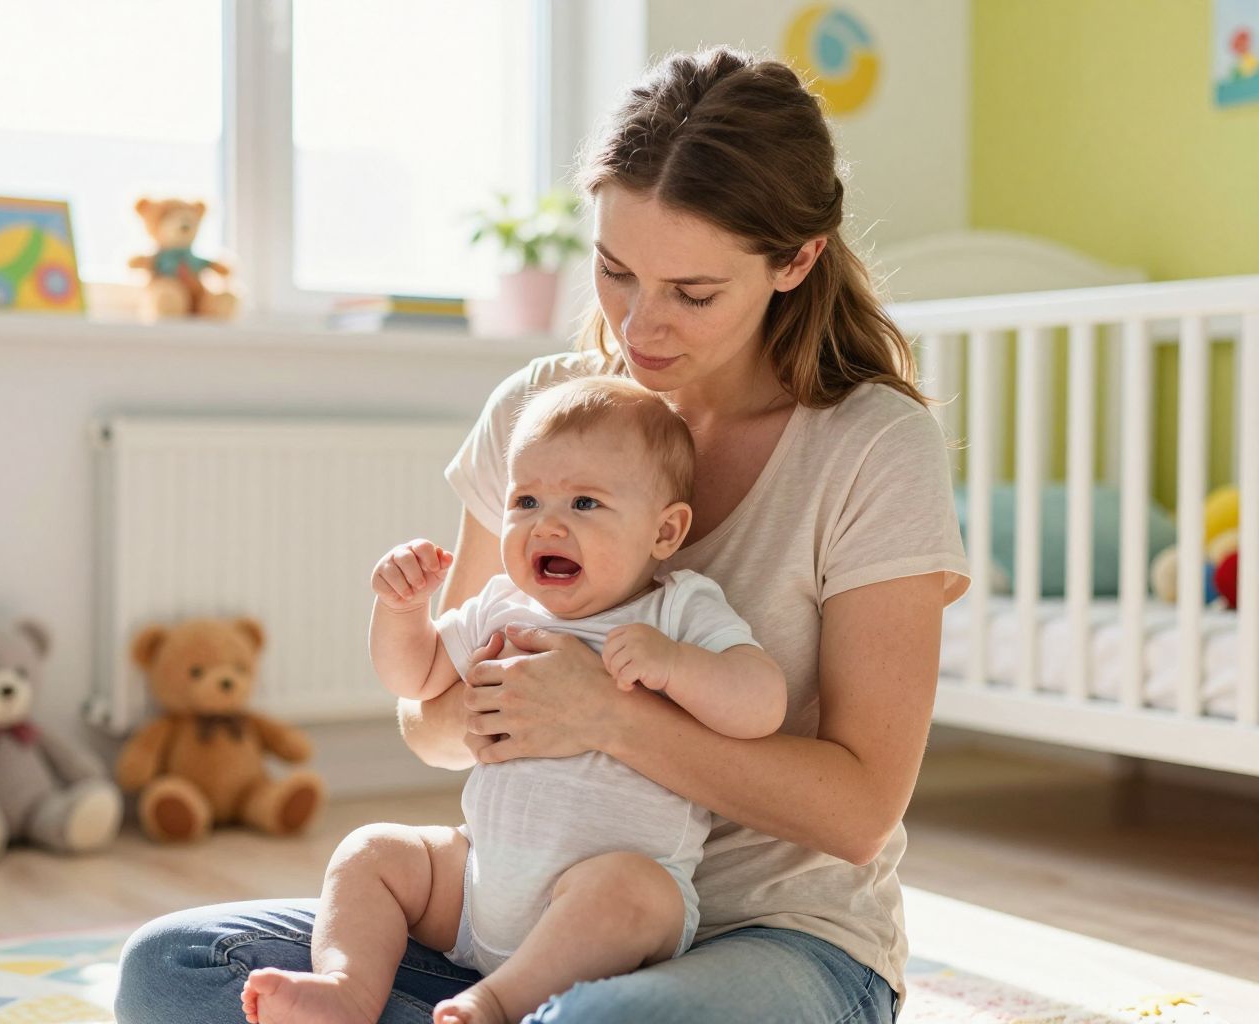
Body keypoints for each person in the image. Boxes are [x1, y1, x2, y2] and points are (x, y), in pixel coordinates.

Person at [115, 44, 969, 1024]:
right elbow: (434, 722)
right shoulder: (540, 414)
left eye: (692, 293)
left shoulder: (870, 446)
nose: (640, 325)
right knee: (174, 965)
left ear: (795, 258)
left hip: (771, 939)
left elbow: (858, 815)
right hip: (518, 922)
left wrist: (606, 717)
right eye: (614, 271)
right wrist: (475, 685)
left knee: (609, 1022)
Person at [239, 376, 787, 1024]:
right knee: (371, 852)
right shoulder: (502, 604)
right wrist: (403, 609)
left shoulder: (678, 608)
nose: (546, 524)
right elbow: (415, 679)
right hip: (475, 892)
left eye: (585, 503)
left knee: (637, 893)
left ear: (664, 531)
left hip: (592, 908)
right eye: (525, 500)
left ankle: (495, 1005)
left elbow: (762, 703)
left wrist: (677, 667)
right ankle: (347, 989)